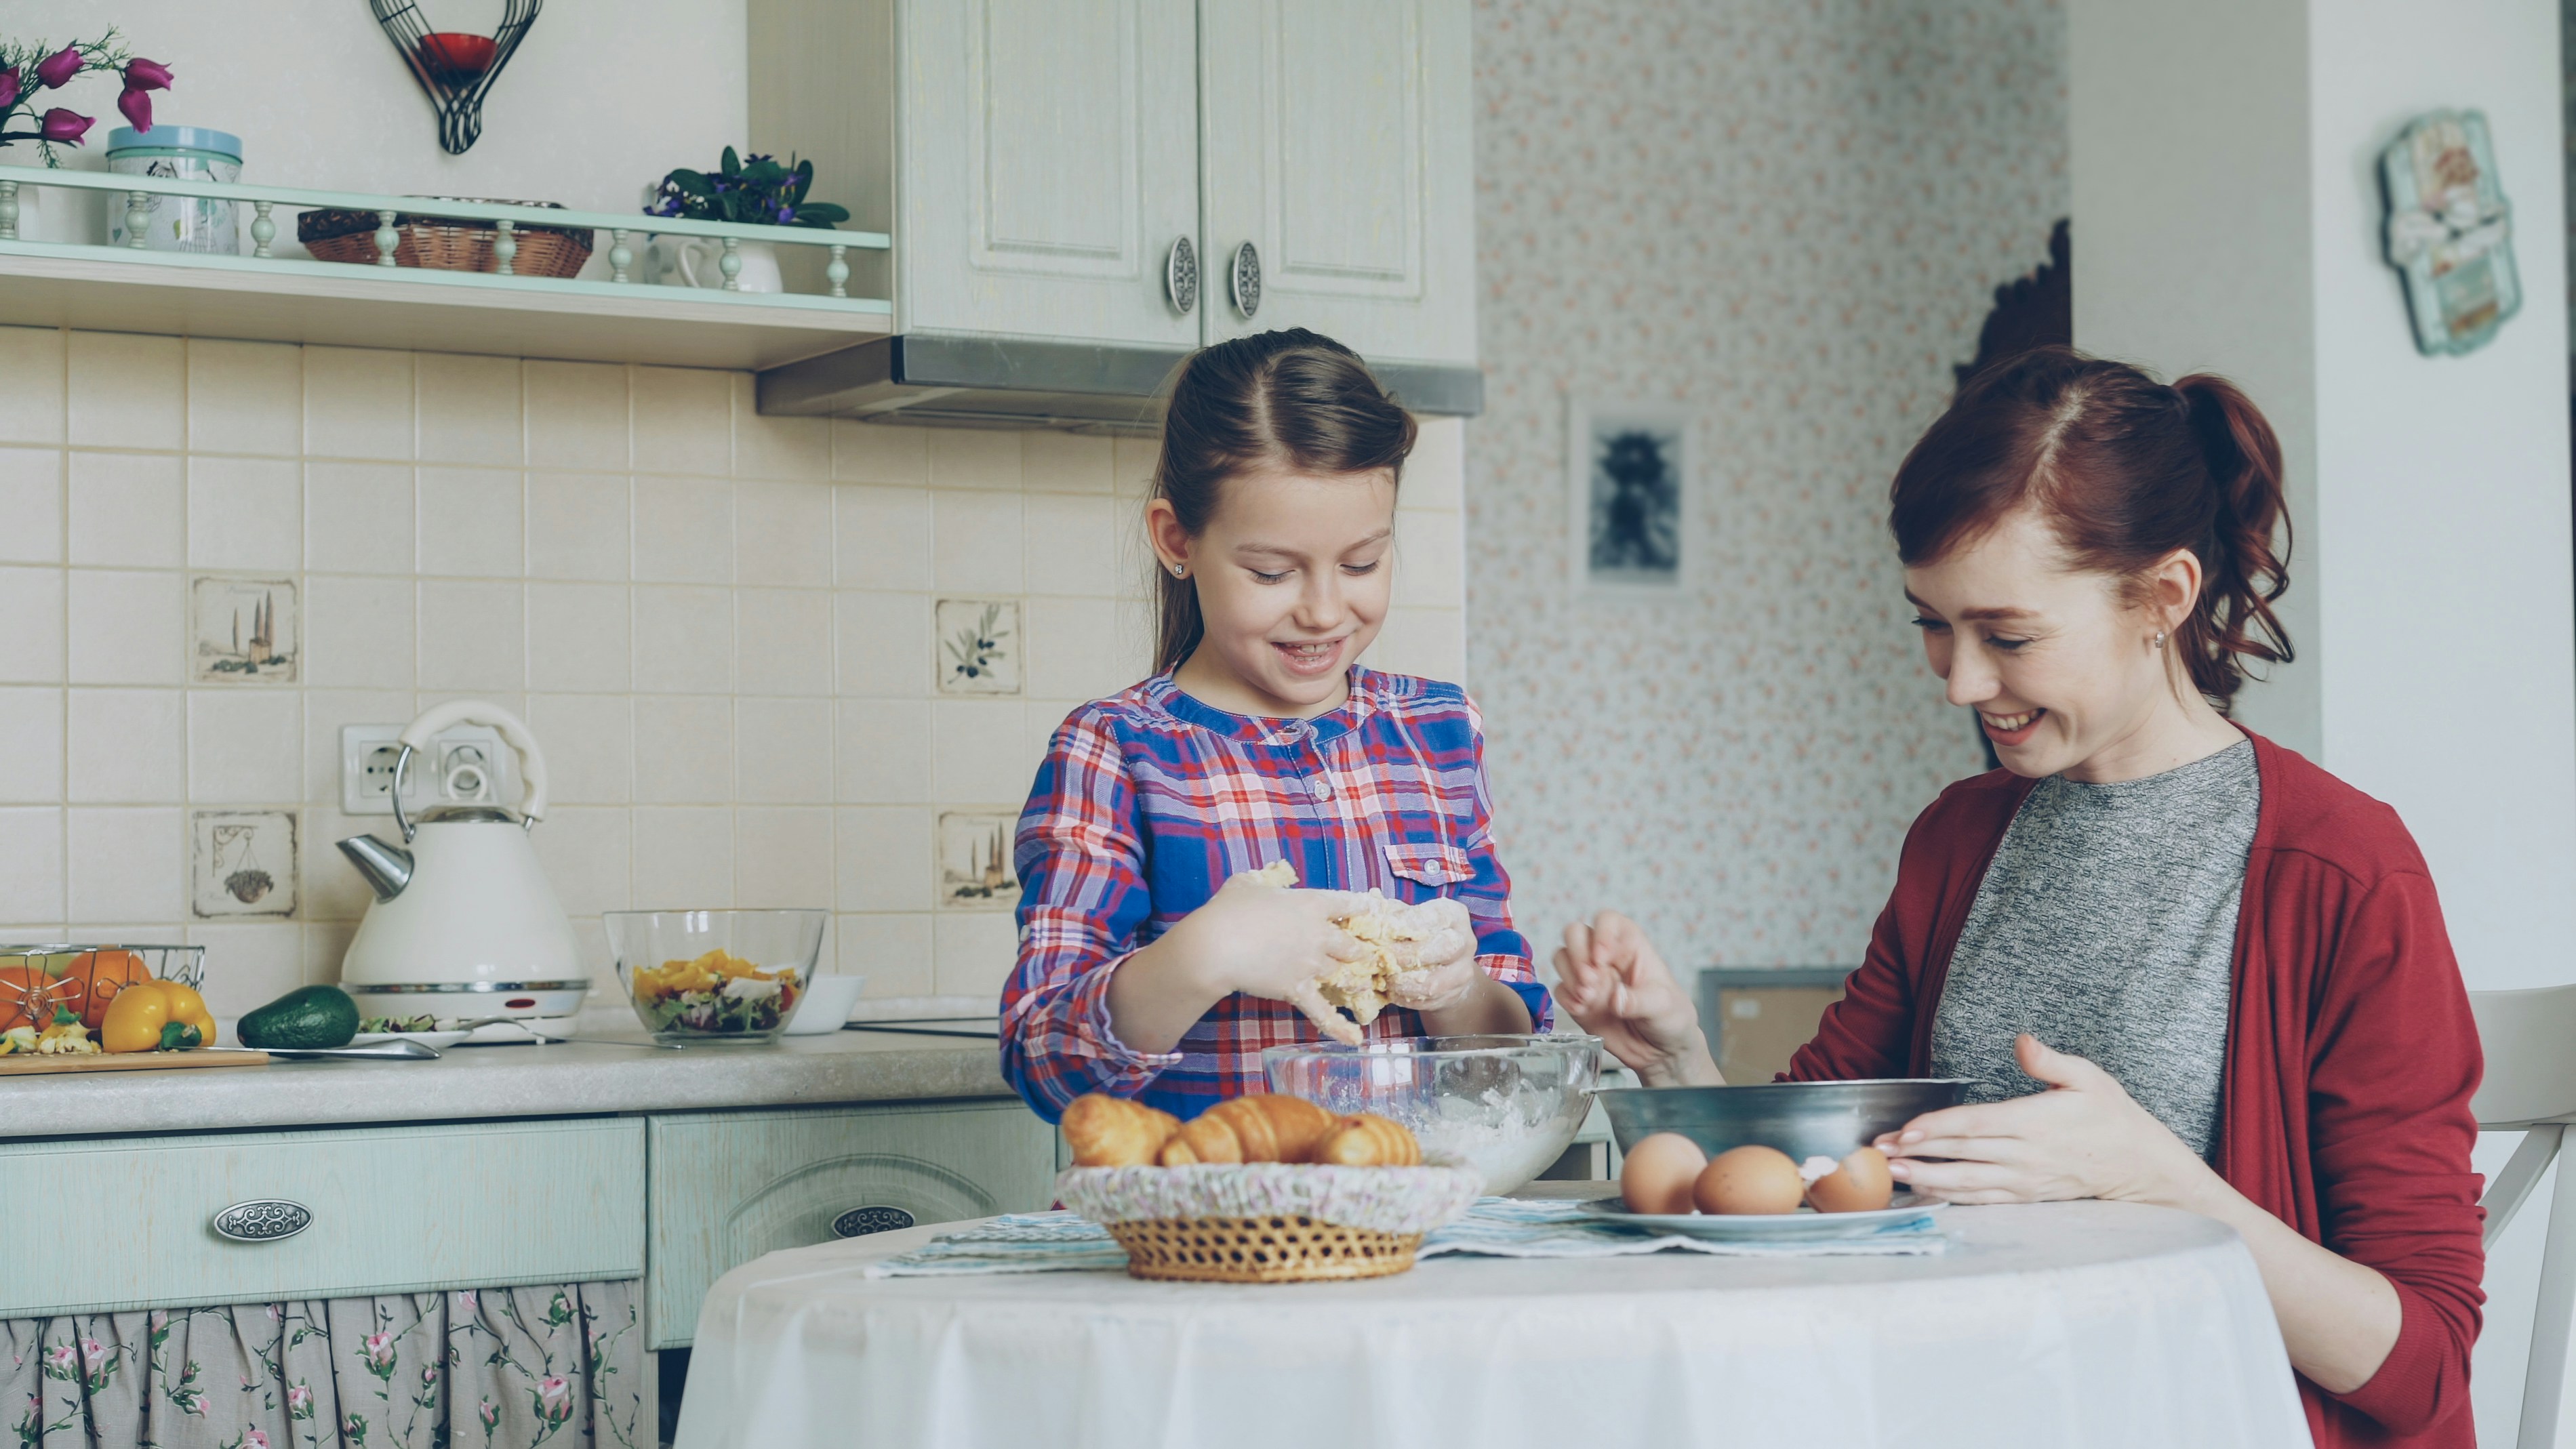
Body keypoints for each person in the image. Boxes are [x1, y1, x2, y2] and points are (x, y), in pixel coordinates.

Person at [1555, 348, 2482, 1449]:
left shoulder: (2339, 869)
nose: (1960, 681)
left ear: (2165, 597)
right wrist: (1673, 1058)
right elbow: (1807, 1181)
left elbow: (2422, 1359)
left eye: (2008, 635)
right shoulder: (1959, 837)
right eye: (1931, 623)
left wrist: (2152, 1179)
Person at [1001, 329, 1547, 1123]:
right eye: (1271, 572)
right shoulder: (1115, 750)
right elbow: (1043, 1062)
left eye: (1360, 563)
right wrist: (1204, 953)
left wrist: (1456, 987)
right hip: (1206, 1199)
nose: (1323, 610)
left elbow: (1510, 1061)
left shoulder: (1437, 731)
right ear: (1177, 540)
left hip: (1418, 1196)